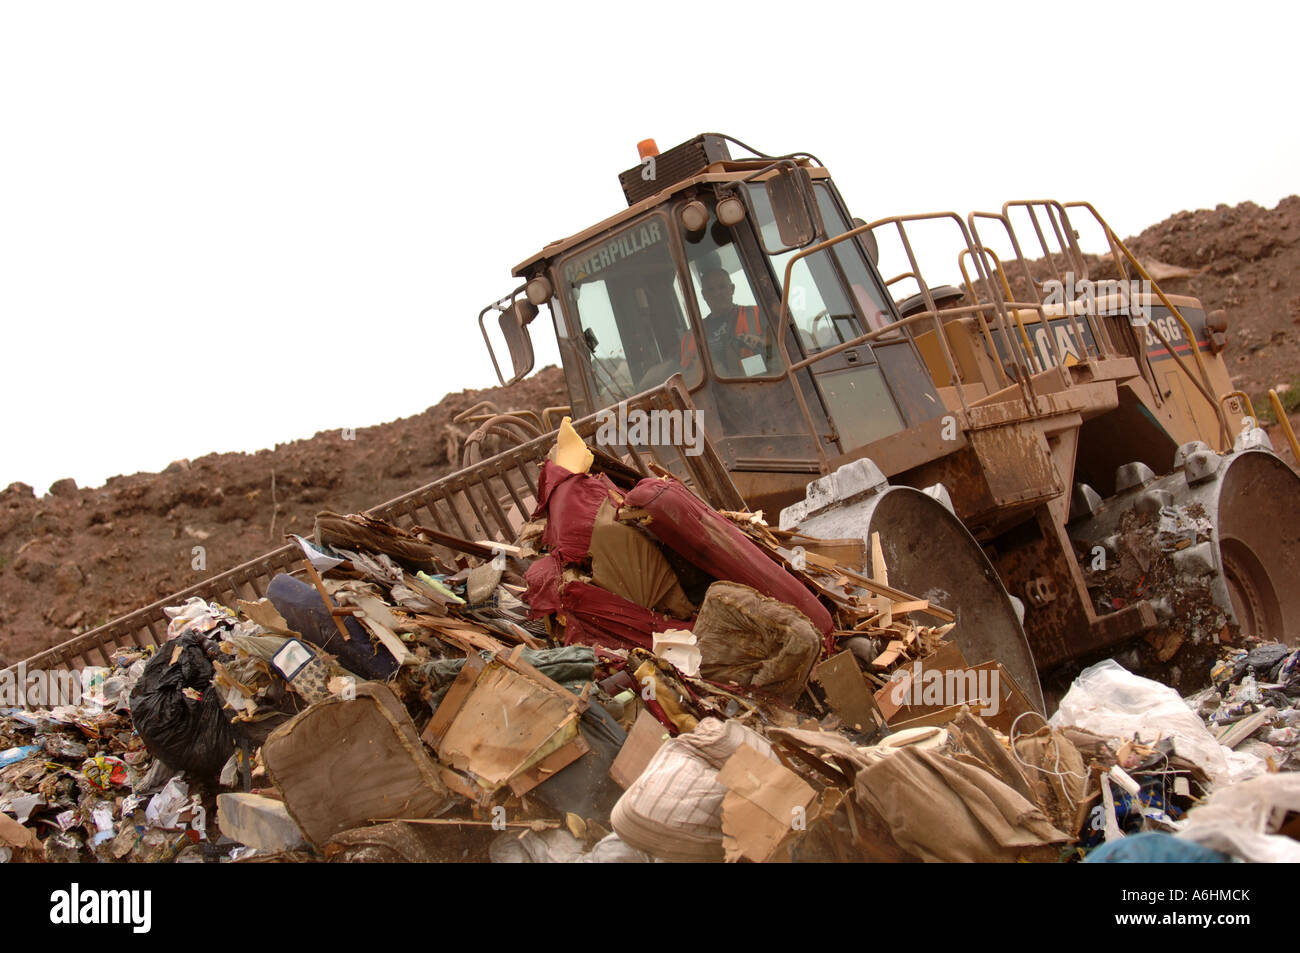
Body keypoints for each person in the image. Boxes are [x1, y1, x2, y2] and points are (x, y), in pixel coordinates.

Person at [680, 267, 771, 375]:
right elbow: (688, 377)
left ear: (732, 289)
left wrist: (760, 345)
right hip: (715, 390)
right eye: (711, 290)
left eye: (722, 287)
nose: (717, 293)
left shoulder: (758, 314)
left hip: (762, 383)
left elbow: (778, 356)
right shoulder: (691, 336)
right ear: (704, 295)